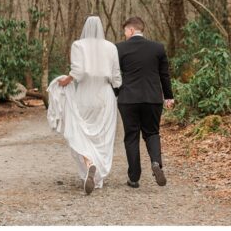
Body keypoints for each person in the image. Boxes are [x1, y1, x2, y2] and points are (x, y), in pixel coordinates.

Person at [48, 16, 122, 195]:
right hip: (105, 95)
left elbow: (78, 72)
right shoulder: (111, 47)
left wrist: (66, 80)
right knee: (103, 135)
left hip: (84, 94)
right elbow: (117, 78)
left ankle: (89, 163)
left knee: (81, 131)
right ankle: (99, 175)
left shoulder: (78, 45)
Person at [114, 17, 174, 188]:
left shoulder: (118, 48)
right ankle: (156, 162)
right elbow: (164, 75)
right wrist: (169, 97)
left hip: (128, 99)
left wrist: (116, 94)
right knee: (152, 133)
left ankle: (134, 178)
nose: (124, 34)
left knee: (131, 136)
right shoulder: (158, 48)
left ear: (131, 30)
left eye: (125, 31)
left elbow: (115, 75)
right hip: (153, 98)